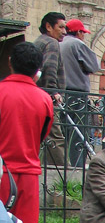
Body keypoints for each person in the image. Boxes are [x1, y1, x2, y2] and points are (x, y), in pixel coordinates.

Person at [0, 42, 53, 223]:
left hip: (1, 172)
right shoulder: (44, 99)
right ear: (37, 70)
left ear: (10, 62)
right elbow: (41, 136)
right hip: (29, 174)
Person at [61, 19, 100, 166]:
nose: (84, 36)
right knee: (78, 131)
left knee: (65, 129)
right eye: (83, 33)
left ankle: (64, 163)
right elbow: (94, 66)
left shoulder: (59, 43)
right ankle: (77, 165)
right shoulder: (77, 44)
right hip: (77, 92)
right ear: (78, 32)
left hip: (61, 92)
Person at [34, 11, 67, 168]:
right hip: (47, 98)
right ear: (48, 26)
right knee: (55, 136)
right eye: (60, 27)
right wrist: (53, 92)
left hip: (36, 96)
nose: (64, 31)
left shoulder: (39, 41)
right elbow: (49, 69)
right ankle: (64, 176)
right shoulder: (51, 43)